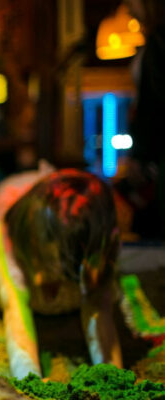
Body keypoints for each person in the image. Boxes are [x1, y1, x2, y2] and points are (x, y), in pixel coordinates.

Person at [0, 164, 122, 378]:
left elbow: (99, 303)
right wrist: (29, 376)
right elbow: (15, 305)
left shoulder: (97, 235)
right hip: (22, 218)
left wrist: (111, 375)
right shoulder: (11, 231)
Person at [123, 0, 165, 239]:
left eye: (131, 2)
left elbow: (154, 106)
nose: (128, 9)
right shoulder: (155, 39)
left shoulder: (159, 41)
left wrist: (141, 155)